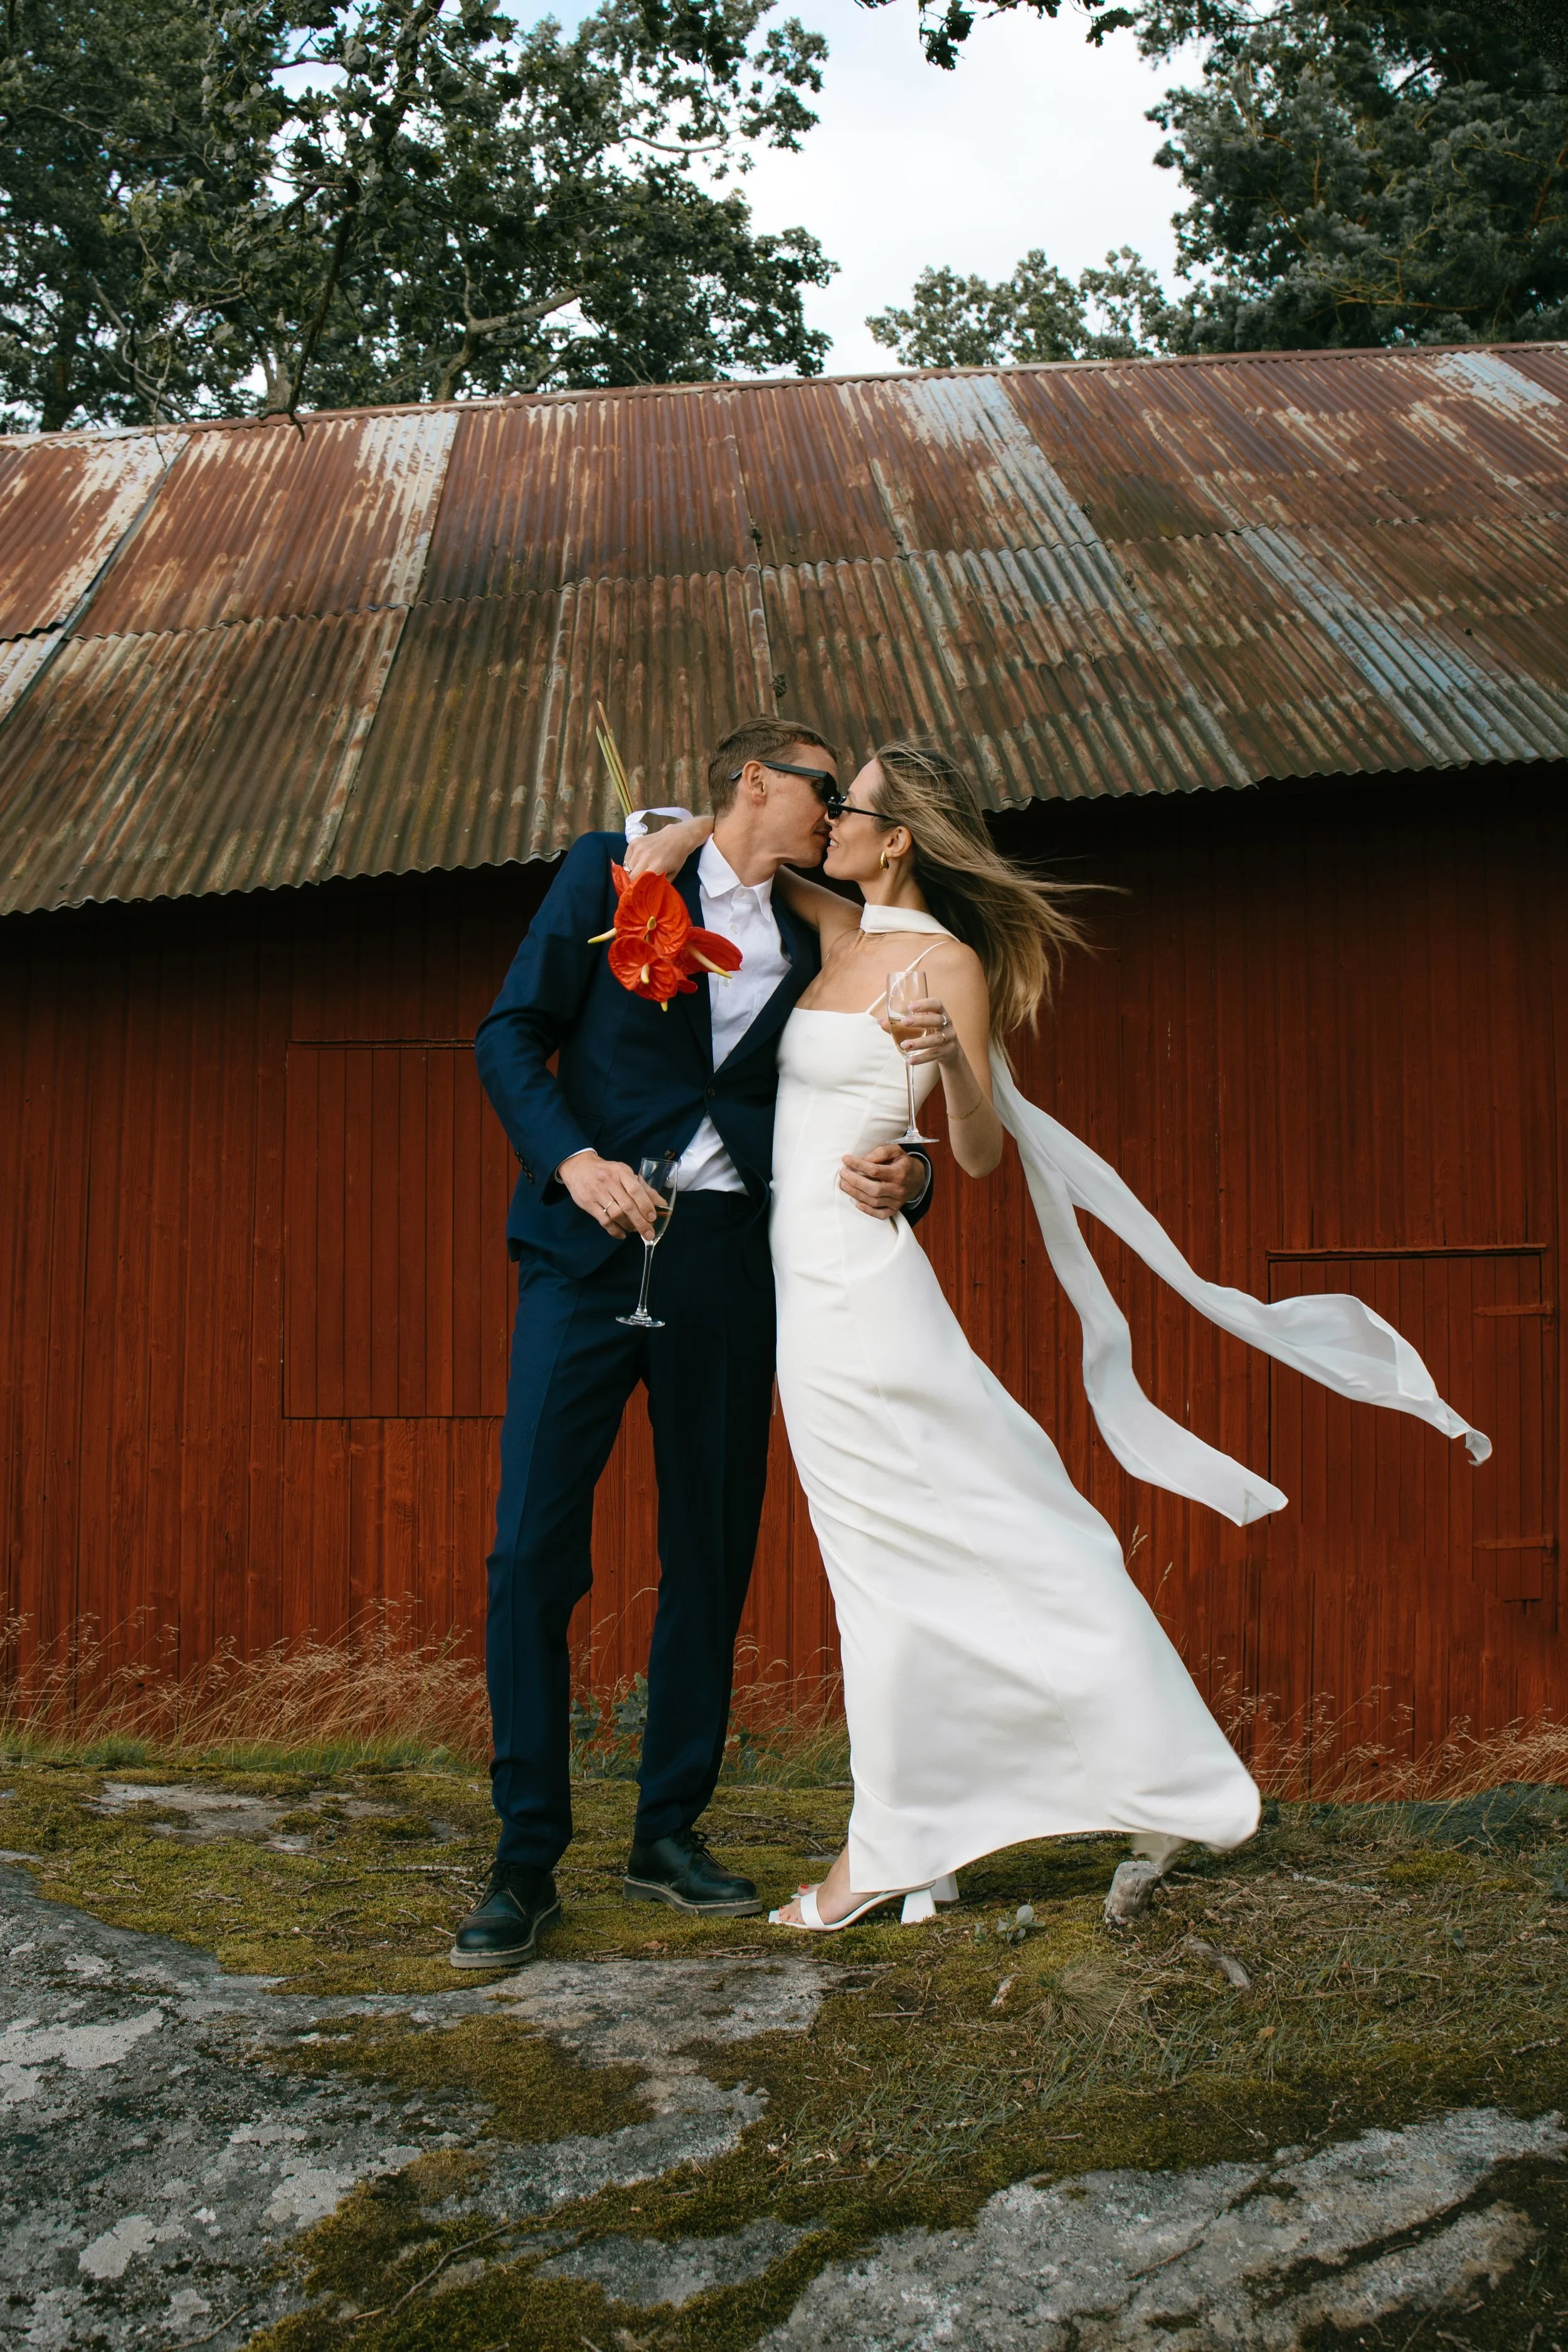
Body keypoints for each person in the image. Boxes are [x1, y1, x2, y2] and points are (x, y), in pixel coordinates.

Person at [627, 741, 1490, 1931]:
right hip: (803, 1296)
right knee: (891, 1556)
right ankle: (954, 1818)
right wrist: (666, 836)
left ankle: (903, 1844)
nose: (829, 819)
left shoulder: (945, 964)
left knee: (939, 1546)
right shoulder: (837, 933)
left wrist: (939, 1092)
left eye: (852, 806)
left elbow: (979, 1149)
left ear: (898, 840)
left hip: (863, 1292)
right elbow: (739, 856)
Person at [453, 718, 933, 1968]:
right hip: (585, 1255)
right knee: (528, 1552)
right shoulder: (613, 879)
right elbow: (508, 1035)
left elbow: (871, 1086)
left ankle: (668, 1832)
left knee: (708, 1553)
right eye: (822, 792)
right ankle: (523, 1861)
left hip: (731, 1269)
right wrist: (573, 1160)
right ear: (756, 783)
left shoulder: (817, 932)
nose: (835, 817)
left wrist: (912, 1171)